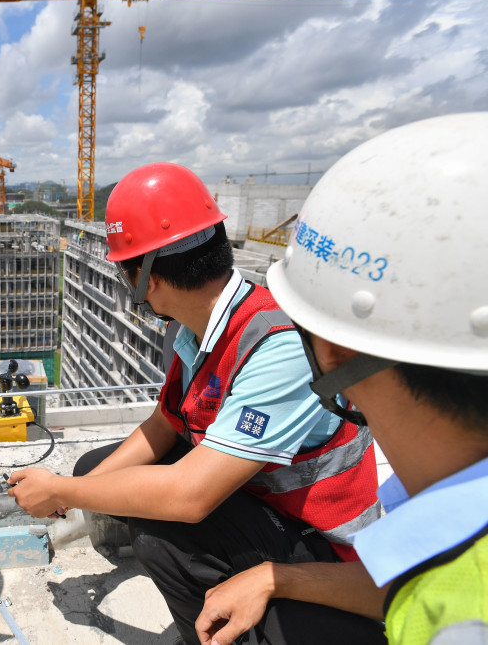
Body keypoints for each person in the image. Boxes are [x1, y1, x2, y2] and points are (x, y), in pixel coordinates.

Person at [7, 162, 384, 644]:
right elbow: (165, 423)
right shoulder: (196, 326)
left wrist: (64, 491)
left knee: (163, 534)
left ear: (147, 279)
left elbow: (190, 498)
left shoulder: (278, 346)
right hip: (254, 493)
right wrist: (69, 488)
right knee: (95, 469)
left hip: (322, 546)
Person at [195, 112, 488, 645]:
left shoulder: (459, 622)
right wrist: (274, 577)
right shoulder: (455, 557)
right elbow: (403, 583)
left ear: (331, 350)